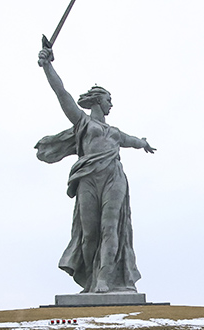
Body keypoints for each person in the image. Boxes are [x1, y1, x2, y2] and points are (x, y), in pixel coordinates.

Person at [36, 46, 156, 294]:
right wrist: (48, 66)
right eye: (109, 100)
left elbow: (133, 140)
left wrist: (144, 143)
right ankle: (91, 279)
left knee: (110, 228)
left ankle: (105, 278)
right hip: (88, 179)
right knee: (89, 234)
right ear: (99, 100)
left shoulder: (114, 132)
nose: (112, 104)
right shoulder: (82, 122)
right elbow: (62, 93)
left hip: (113, 177)